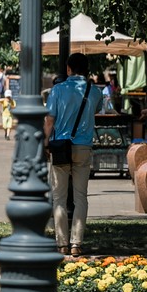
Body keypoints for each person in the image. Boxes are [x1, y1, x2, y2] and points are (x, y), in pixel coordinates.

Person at [45, 53, 97, 257]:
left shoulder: (58, 89)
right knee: (81, 197)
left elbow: (49, 120)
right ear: (86, 69)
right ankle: (77, 243)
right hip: (84, 146)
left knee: (58, 196)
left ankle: (62, 244)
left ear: (68, 69)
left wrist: (44, 142)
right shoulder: (95, 91)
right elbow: (96, 110)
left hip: (60, 147)